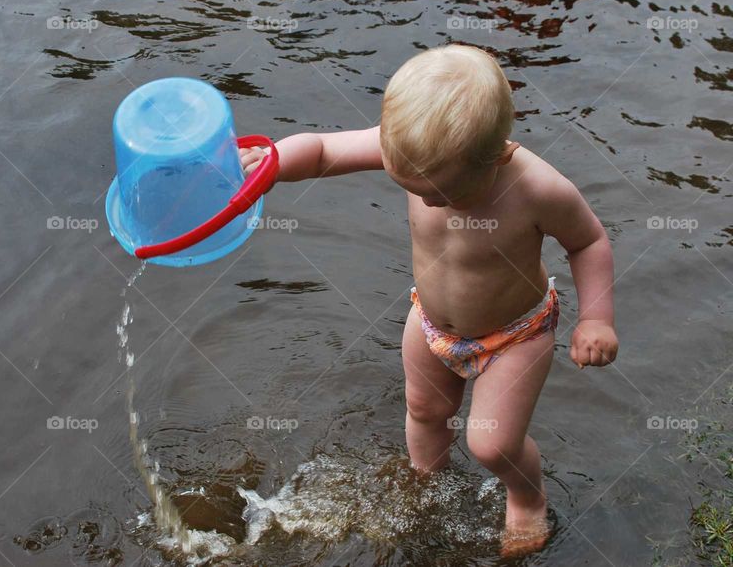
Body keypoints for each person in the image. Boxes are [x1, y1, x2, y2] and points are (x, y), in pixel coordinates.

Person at [239, 44, 619, 556]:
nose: (431, 202)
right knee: (423, 409)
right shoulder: (418, 149)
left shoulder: (537, 188)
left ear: (497, 154)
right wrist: (273, 162)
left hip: (514, 334)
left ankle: (527, 498)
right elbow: (326, 152)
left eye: (442, 194)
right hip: (433, 323)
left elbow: (589, 242)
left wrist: (595, 318)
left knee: (491, 442)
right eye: (413, 190)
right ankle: (425, 483)